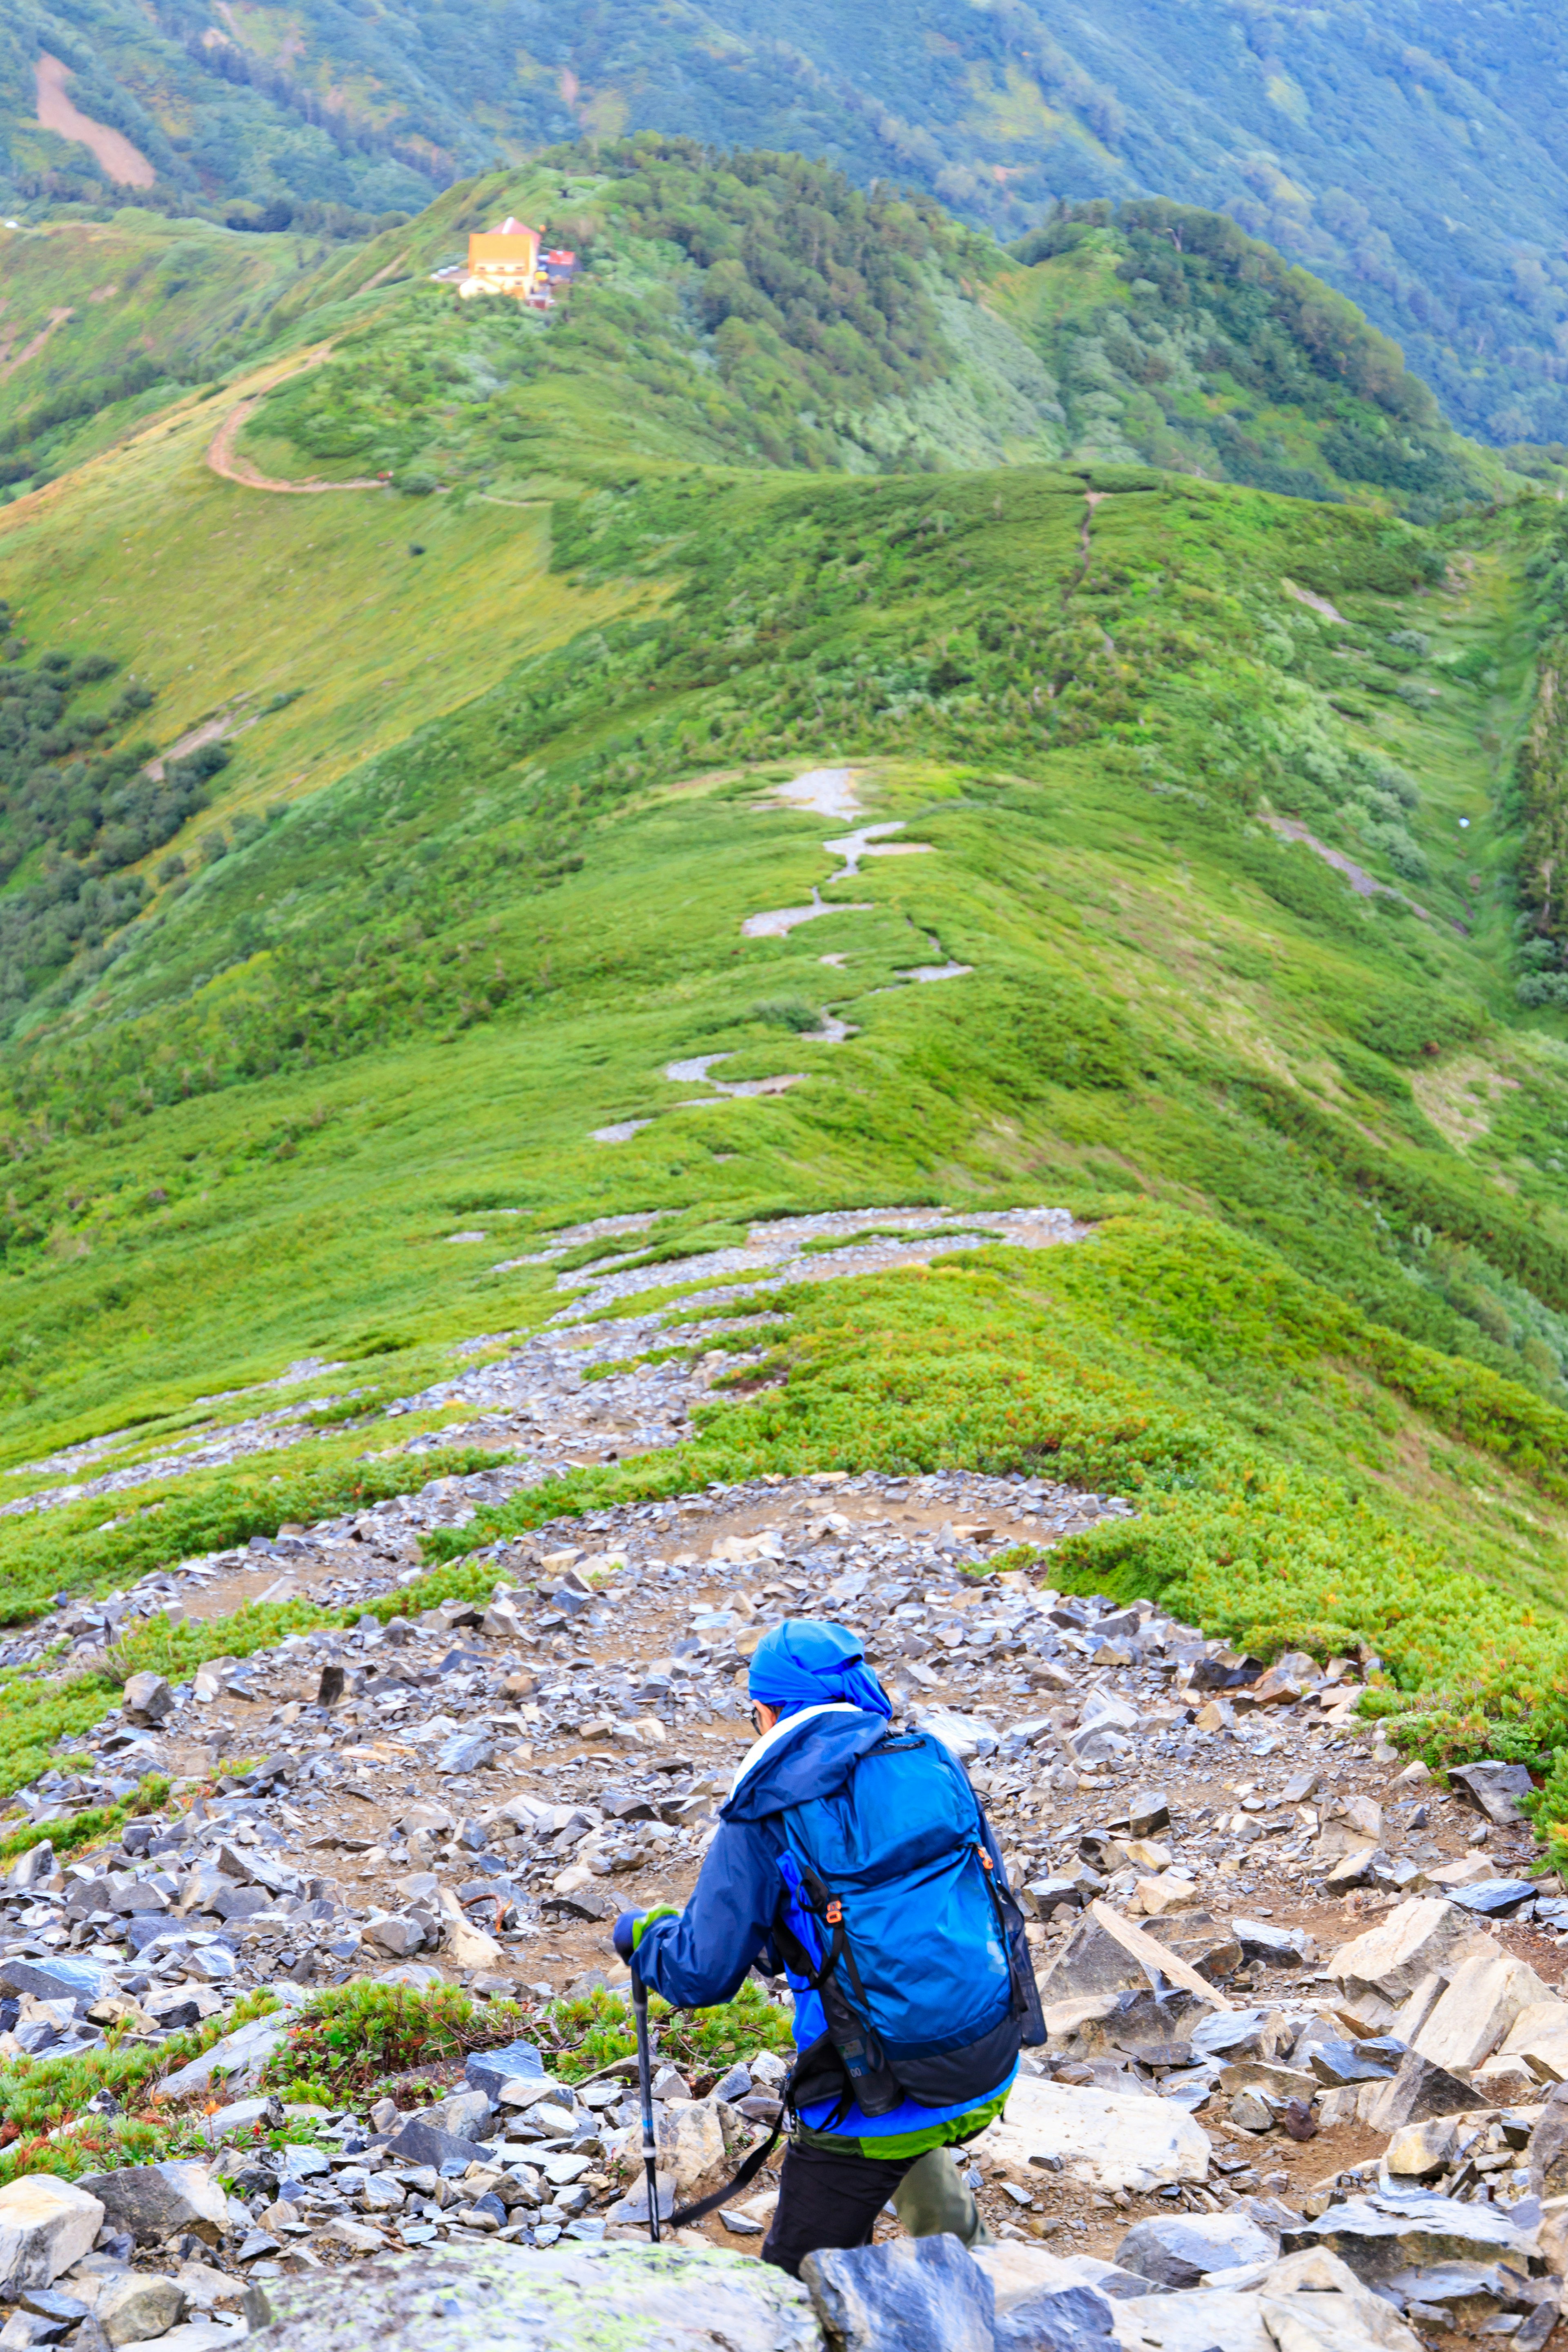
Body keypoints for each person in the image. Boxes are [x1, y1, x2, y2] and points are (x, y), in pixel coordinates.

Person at [612, 1617, 1037, 2276]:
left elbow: (700, 1976)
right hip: (986, 2058)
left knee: (794, 2281)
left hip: (866, 2094)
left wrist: (646, 1940)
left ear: (766, 1709)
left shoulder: (764, 1812)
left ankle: (971, 2297)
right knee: (898, 2114)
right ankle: (975, 2265)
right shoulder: (929, 1758)